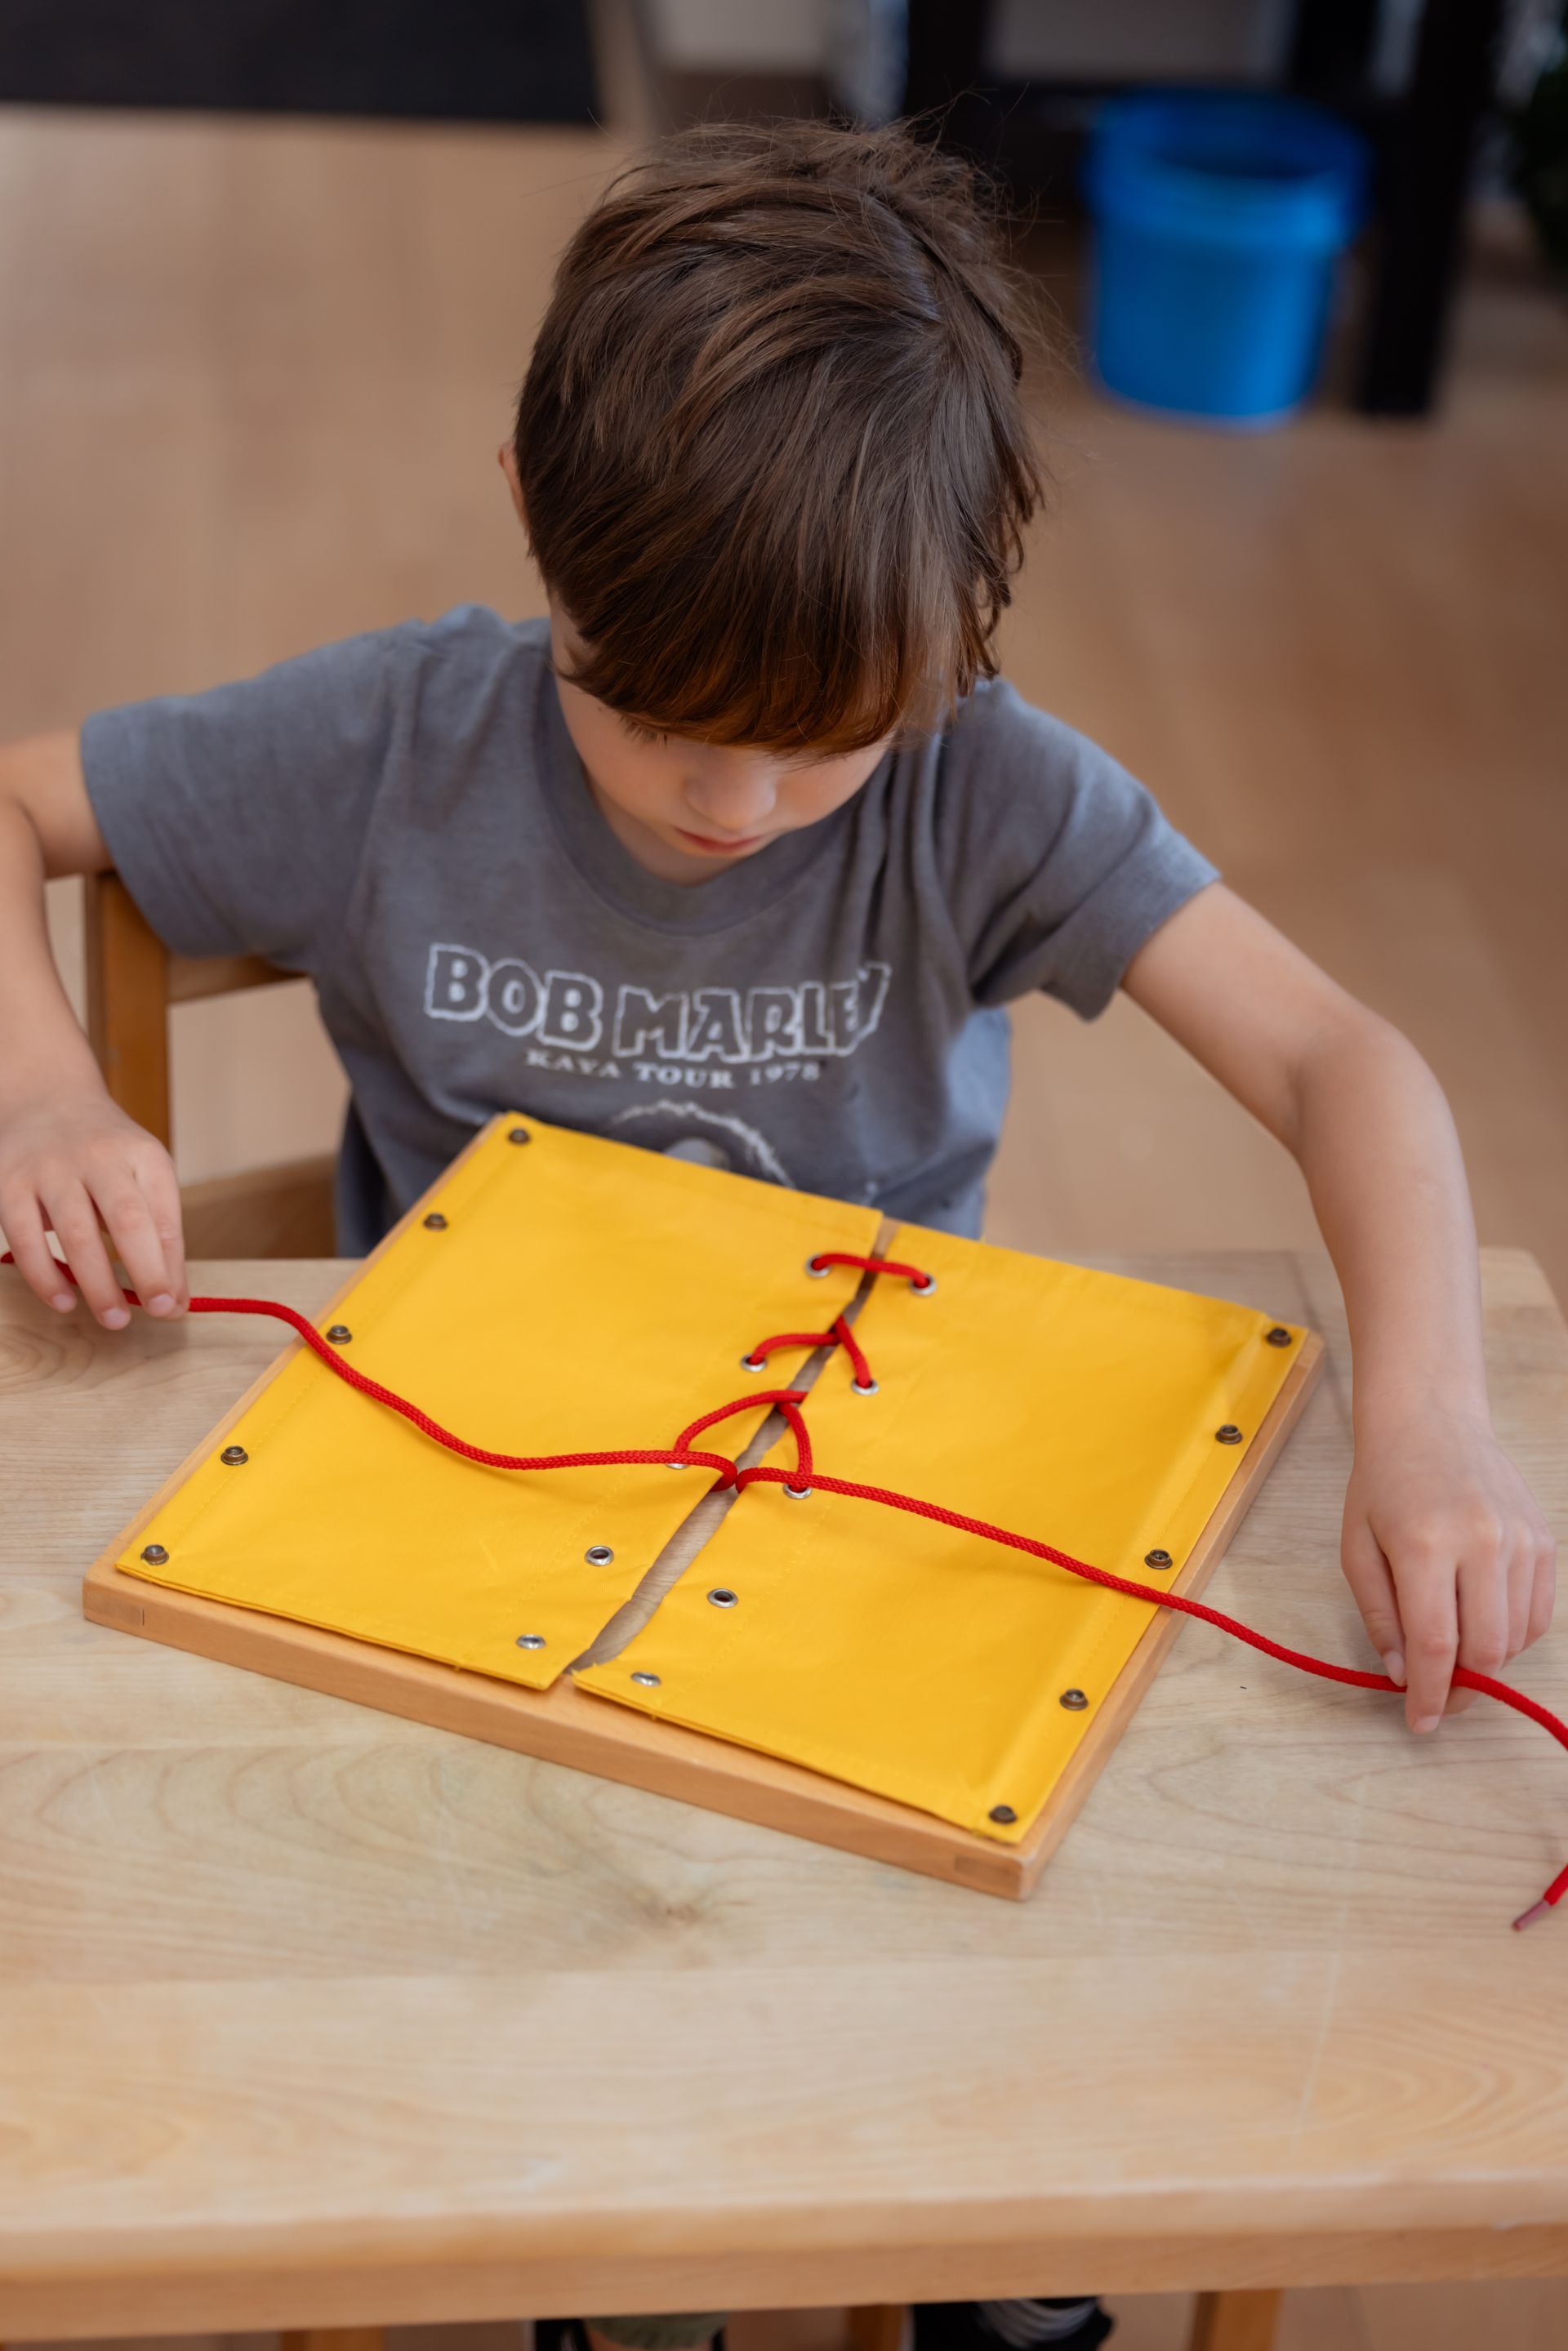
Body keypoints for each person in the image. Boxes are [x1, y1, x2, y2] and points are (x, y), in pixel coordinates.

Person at [0, 118, 1553, 2351]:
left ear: (954, 640)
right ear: (545, 535)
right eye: (652, 718)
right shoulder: (393, 744)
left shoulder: (984, 780)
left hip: (874, 1528)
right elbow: (16, 797)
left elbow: (1347, 1067)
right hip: (455, 1528)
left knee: (1109, 1934)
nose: (729, 807)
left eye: (820, 749)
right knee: (524, 1998)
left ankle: (943, 2244)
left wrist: (1428, 1427)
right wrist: (47, 1096)